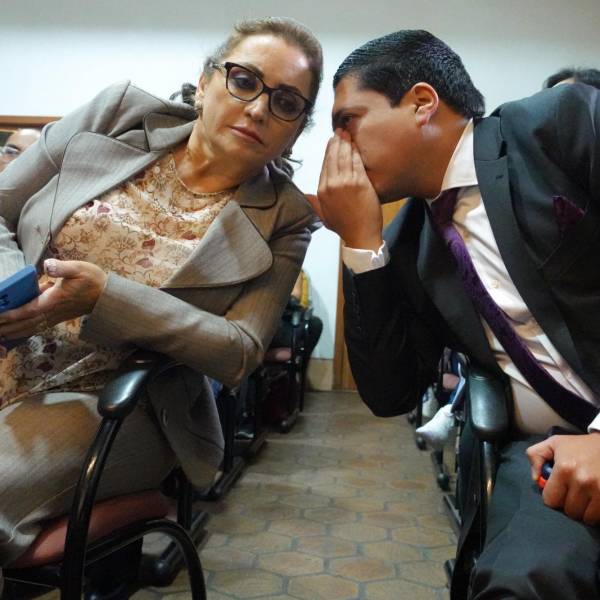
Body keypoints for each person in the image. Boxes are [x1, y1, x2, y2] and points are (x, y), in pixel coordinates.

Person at [0, 16, 322, 586]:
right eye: (244, 80)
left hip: (121, 404)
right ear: (205, 82)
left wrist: (105, 296)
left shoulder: (286, 218)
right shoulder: (118, 114)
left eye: (286, 103)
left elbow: (239, 351)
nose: (258, 110)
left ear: (296, 129)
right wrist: (8, 295)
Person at [310, 29, 600, 599]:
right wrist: (361, 243)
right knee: (519, 584)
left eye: (348, 121)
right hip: (550, 459)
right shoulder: (410, 244)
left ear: (422, 103)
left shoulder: (559, 125)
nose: (338, 147)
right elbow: (390, 392)